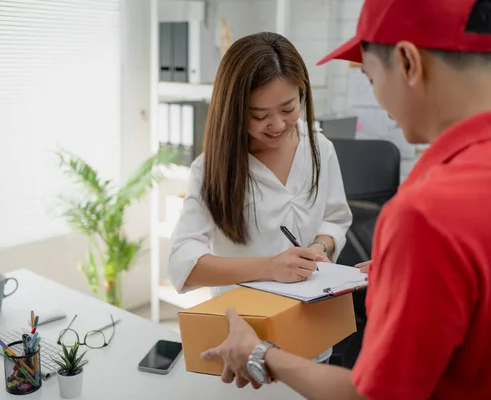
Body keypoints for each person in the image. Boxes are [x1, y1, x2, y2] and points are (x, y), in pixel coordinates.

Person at [201, 0, 491, 398]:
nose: (383, 106)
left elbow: (371, 396)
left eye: (370, 78)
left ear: (407, 63)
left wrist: (260, 354)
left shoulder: (425, 215)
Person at [167, 32, 352, 364]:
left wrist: (320, 247)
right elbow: (185, 265)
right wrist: (270, 267)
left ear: (302, 95)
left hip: (312, 331)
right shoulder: (211, 169)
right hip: (244, 341)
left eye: (288, 108)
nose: (277, 124)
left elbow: (335, 218)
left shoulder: (320, 148)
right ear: (234, 109)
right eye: (259, 114)